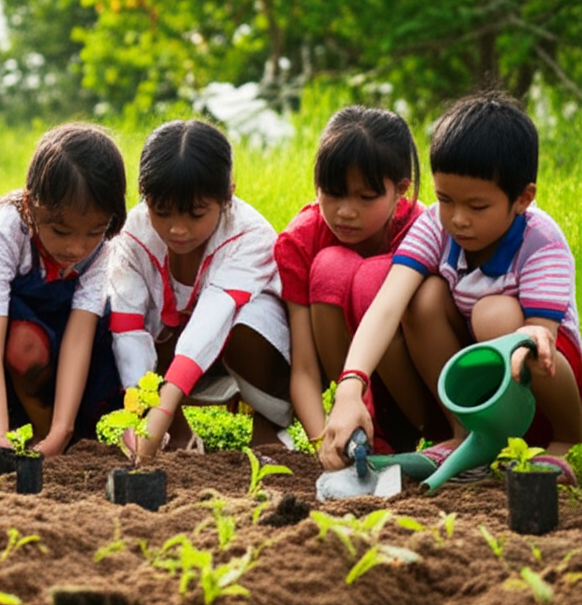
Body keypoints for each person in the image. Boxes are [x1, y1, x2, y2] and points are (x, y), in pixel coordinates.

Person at [320, 92, 582, 484]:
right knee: (422, 299)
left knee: (497, 317)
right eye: (445, 199)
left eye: (477, 207)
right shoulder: (435, 226)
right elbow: (387, 306)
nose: (458, 219)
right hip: (482, 384)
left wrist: (526, 336)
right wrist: (350, 387)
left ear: (522, 199)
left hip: (544, 377)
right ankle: (462, 435)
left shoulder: (540, 241)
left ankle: (568, 441)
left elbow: (541, 338)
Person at [0, 123, 126, 462]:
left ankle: (70, 433)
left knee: (117, 321)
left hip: (65, 348)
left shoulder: (103, 245)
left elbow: (80, 339)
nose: (76, 248)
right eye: (60, 231)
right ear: (32, 207)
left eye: (93, 232)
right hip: (5, 343)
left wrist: (62, 428)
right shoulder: (4, 230)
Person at [108, 119, 291, 463]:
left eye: (195, 214)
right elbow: (128, 329)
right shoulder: (132, 236)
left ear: (228, 196)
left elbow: (212, 319)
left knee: (250, 322)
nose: (177, 229)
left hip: (241, 355)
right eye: (161, 212)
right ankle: (177, 432)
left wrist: (158, 413)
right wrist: (141, 411)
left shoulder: (250, 236)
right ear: (144, 198)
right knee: (108, 316)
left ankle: (268, 426)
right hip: (173, 351)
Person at [274, 106, 430, 454]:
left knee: (374, 276)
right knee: (331, 265)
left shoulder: (421, 232)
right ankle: (359, 432)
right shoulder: (301, 241)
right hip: (345, 391)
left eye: (366, 197)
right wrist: (321, 441)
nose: (345, 211)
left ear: (400, 190)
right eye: (333, 192)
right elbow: (303, 367)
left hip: (416, 395)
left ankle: (420, 434)